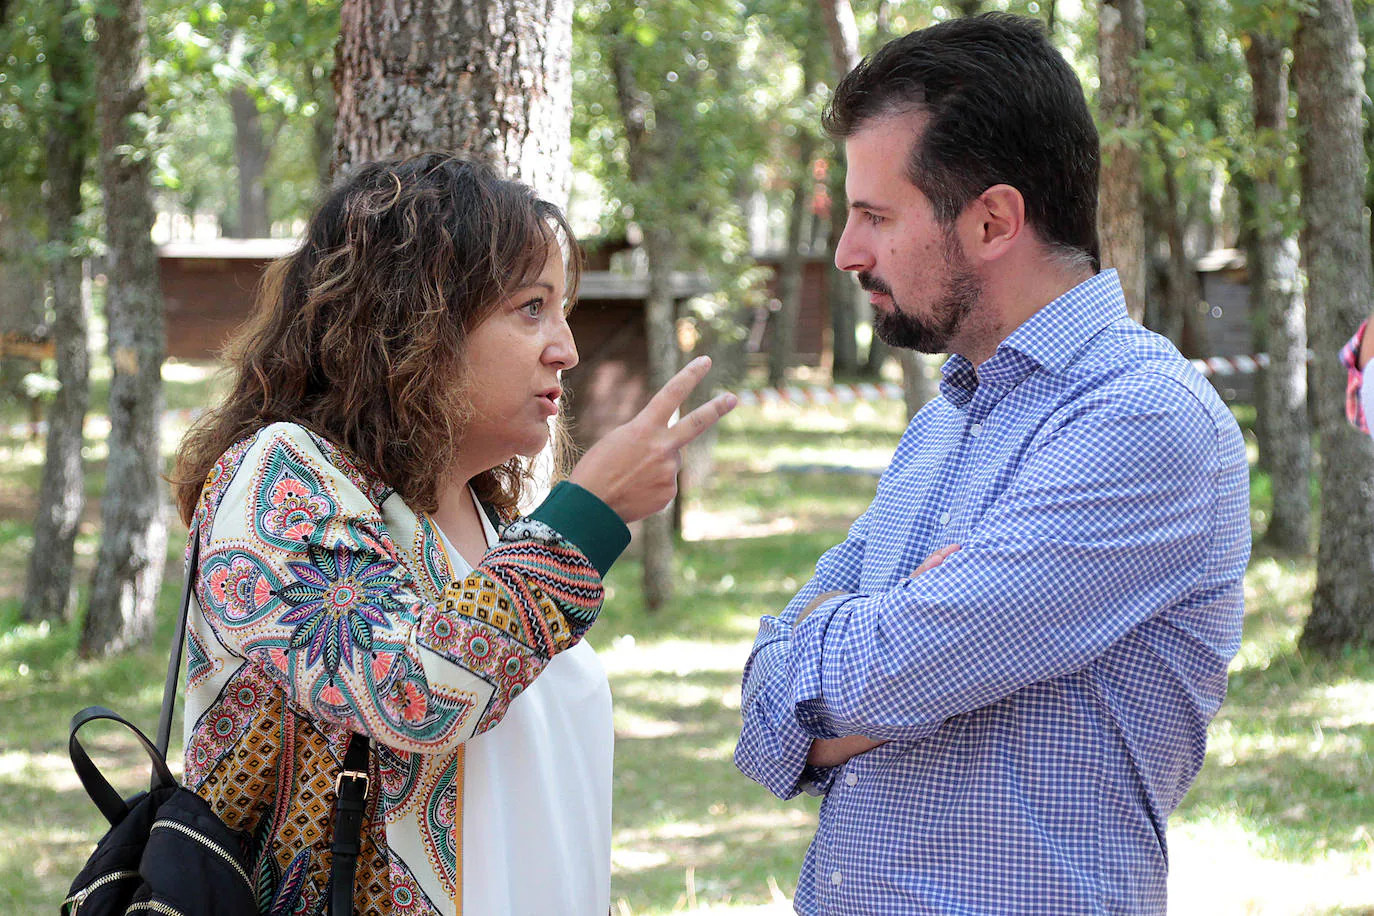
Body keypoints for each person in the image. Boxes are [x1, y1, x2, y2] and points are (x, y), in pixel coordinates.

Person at [733, 14, 1251, 914]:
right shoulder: (946, 422)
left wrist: (873, 642)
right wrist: (881, 639)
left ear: (993, 219)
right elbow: (768, 695)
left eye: (875, 216)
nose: (848, 253)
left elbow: (898, 666)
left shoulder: (1145, 423)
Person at [171, 153, 735, 916]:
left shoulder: (483, 512)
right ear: (413, 318)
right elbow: (407, 690)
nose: (565, 348)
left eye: (562, 310)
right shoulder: (278, 477)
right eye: (531, 308)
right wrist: (587, 517)